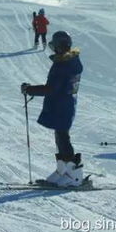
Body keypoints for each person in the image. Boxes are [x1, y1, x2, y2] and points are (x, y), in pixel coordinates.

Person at [21, 31, 84, 187]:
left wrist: (30, 89)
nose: (54, 50)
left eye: (55, 47)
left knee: (62, 136)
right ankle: (63, 169)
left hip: (61, 104)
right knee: (60, 135)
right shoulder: (71, 62)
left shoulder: (63, 65)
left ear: (59, 47)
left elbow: (51, 89)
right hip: (65, 104)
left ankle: (73, 174)